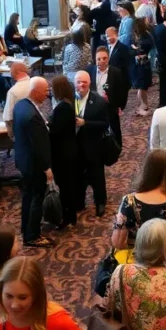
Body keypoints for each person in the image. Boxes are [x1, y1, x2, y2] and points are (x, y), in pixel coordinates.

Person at [112, 150, 166, 277]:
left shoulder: (129, 201)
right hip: (164, 267)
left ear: (145, 171)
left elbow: (118, 243)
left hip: (135, 266)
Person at [12, 78, 54, 247]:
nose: (47, 94)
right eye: (45, 91)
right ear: (35, 91)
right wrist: (47, 168)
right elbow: (39, 146)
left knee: (27, 197)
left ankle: (25, 227)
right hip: (34, 165)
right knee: (37, 198)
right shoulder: (32, 117)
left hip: (23, 161)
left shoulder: (21, 105)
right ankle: (33, 236)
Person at [72, 70, 110, 218]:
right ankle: (79, 202)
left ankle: (100, 203)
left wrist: (85, 123)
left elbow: (105, 124)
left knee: (97, 177)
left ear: (89, 84)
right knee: (77, 177)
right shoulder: (69, 99)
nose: (81, 85)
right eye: (78, 82)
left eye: (84, 82)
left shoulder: (99, 101)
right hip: (75, 147)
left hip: (93, 147)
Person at [48, 75, 80, 227]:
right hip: (69, 150)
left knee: (66, 186)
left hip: (63, 153)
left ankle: (68, 216)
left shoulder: (62, 107)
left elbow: (56, 131)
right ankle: (70, 215)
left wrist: (48, 125)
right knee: (69, 184)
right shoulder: (69, 103)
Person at [86, 45, 127, 144]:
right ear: (95, 60)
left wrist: (119, 106)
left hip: (111, 106)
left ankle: (117, 147)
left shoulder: (116, 72)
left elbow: (121, 91)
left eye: (104, 58)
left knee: (114, 128)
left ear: (108, 58)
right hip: (94, 106)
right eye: (98, 59)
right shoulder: (89, 71)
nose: (102, 61)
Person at [129, 17, 154, 116]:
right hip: (140, 63)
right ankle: (141, 106)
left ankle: (144, 105)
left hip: (143, 62)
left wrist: (136, 49)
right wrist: (136, 50)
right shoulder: (140, 36)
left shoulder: (140, 36)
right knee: (142, 86)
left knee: (144, 85)